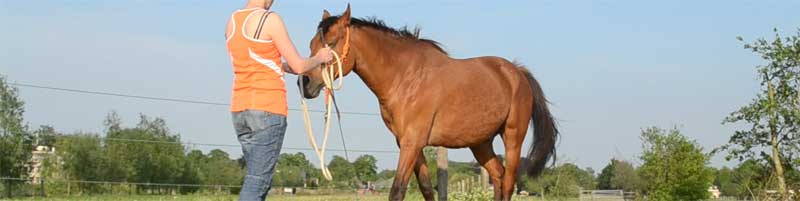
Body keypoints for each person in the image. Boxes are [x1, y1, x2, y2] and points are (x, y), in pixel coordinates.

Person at [224, 0, 333, 200]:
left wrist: (281, 66)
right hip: (267, 109)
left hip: (240, 110)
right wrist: (320, 57)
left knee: (257, 178)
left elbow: (253, 58)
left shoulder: (232, 21)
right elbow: (300, 66)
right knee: (257, 182)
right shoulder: (270, 19)